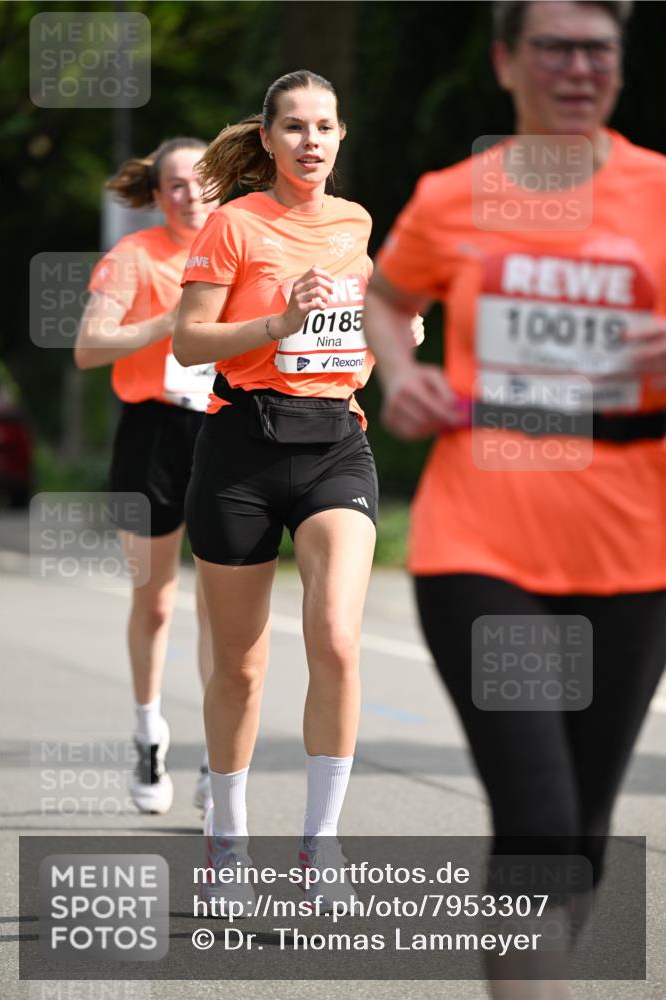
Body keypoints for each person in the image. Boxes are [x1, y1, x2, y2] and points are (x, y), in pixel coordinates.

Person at [364, 1, 665, 995]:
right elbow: (385, 294)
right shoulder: (455, 196)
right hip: (480, 537)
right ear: (504, 62)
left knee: (577, 837)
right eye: (554, 47)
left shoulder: (658, 191)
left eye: (598, 49)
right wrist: (394, 372)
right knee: (536, 818)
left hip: (635, 544)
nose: (578, 68)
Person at [175, 69, 421, 909]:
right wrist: (277, 322)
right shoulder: (234, 225)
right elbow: (187, 342)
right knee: (240, 666)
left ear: (340, 136)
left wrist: (395, 326)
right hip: (241, 447)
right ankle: (227, 844)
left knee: (337, 639)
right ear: (269, 140)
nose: (310, 141)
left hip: (334, 445)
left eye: (324, 127)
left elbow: (367, 311)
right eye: (294, 128)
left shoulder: (354, 221)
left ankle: (321, 850)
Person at [75, 138, 218, 815]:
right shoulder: (133, 258)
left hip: (225, 427)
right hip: (152, 433)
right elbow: (87, 346)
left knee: (222, 605)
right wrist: (169, 322)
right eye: (176, 186)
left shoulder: (244, 243)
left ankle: (222, 756)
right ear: (158, 196)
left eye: (200, 181)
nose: (190, 194)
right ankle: (149, 730)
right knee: (156, 601)